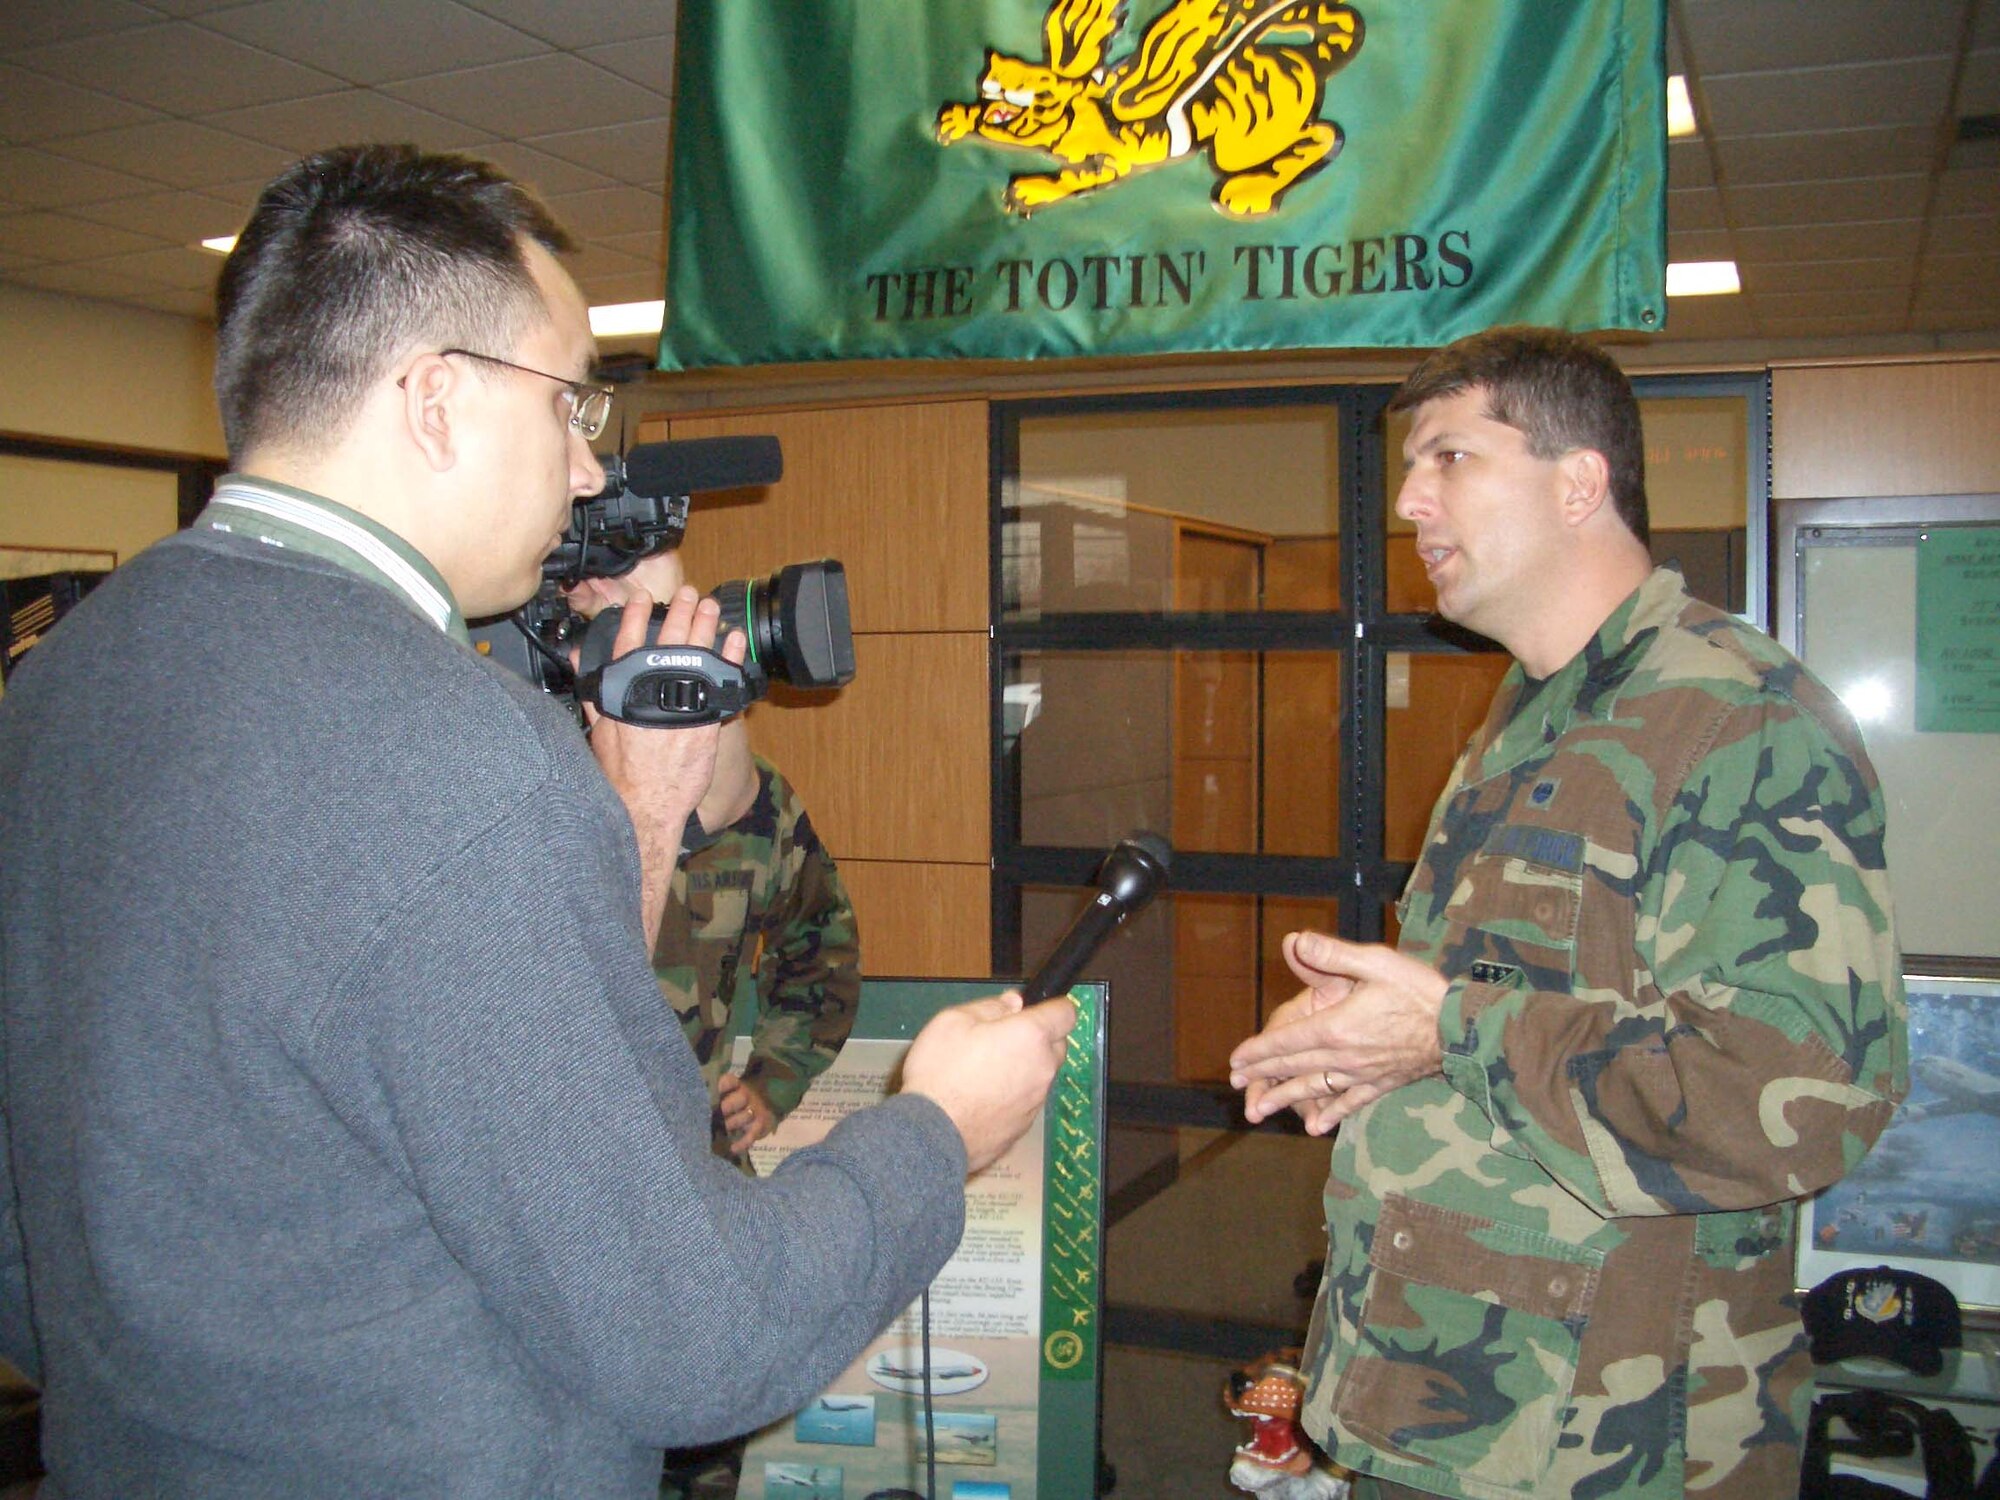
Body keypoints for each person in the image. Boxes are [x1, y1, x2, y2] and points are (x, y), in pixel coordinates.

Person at [0, 144, 1074, 1499]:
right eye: (573, 407)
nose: (584, 472)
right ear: (437, 399)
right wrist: (938, 1129)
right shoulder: (465, 752)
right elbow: (699, 1339)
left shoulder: (65, 681)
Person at [1228, 326, 1907, 1500]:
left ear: (1578, 480)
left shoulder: (1732, 718)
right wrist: (1378, 1041)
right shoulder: (1533, 715)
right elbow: (1526, 998)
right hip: (1453, 1396)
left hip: (1617, 1436)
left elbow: (1799, 1098)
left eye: (1448, 459)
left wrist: (1444, 1030)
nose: (1405, 501)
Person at [568, 553, 861, 1170]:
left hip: (696, 1174)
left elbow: (820, 950)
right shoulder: (528, 777)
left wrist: (771, 1082)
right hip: (562, 1166)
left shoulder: (759, 797)